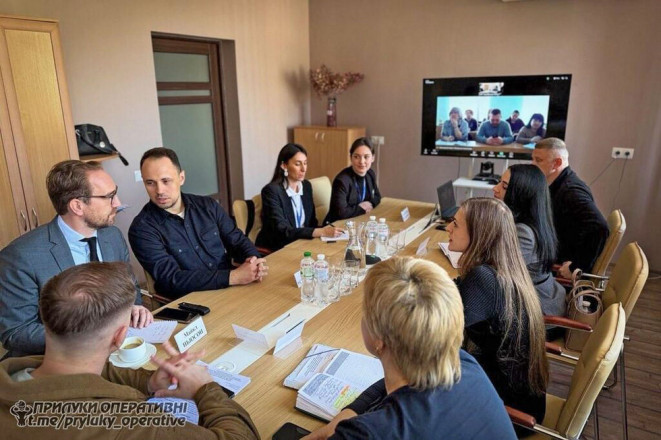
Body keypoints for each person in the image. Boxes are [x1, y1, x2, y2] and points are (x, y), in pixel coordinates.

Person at [0, 262, 259, 439]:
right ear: (120, 336)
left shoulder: (20, 372)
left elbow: (84, 378)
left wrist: (148, 382)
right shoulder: (127, 423)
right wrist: (206, 389)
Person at [302, 257, 516, 440]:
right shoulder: (462, 362)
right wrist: (350, 412)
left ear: (380, 338)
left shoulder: (366, 433)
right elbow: (388, 385)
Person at [0, 160, 151, 359]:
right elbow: (17, 332)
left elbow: (131, 289)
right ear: (77, 206)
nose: (117, 203)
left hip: (118, 350)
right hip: (55, 361)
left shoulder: (112, 236)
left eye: (115, 193)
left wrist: (134, 309)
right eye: (109, 197)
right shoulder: (20, 256)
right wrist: (90, 337)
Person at [446, 198, 548, 433]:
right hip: (522, 400)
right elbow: (457, 290)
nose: (449, 228)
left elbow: (445, 339)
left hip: (506, 415)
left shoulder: (483, 278)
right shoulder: (505, 268)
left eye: (456, 224)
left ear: (480, 234)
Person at [129, 148, 267, 299]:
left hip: (230, 289)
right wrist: (233, 277)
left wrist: (254, 261)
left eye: (166, 181)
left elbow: (237, 240)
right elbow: (172, 279)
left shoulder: (208, 206)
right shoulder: (141, 229)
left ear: (181, 178)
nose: (159, 190)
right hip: (190, 301)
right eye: (150, 183)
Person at [493, 164, 566, 320]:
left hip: (538, 311)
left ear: (521, 195)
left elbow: (499, 274)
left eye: (504, 186)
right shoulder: (536, 221)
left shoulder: (524, 232)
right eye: (499, 182)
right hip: (544, 295)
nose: (495, 188)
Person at [532, 138, 609, 278]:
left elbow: (599, 227)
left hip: (558, 267)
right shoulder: (560, 184)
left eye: (539, 160)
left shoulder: (571, 191)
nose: (533, 165)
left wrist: (576, 267)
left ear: (557, 163)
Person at [256, 143, 343, 251]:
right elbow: (282, 230)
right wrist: (320, 232)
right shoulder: (271, 191)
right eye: (298, 164)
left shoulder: (306, 186)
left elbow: (311, 223)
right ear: (284, 166)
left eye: (305, 163)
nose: (303, 169)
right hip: (279, 247)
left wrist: (326, 231)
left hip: (303, 242)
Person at [324, 137, 382, 224]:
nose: (362, 161)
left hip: (359, 220)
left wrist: (370, 204)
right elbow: (342, 213)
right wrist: (361, 208)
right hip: (338, 225)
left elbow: (377, 196)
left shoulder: (370, 174)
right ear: (351, 158)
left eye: (366, 157)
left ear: (373, 158)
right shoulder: (342, 181)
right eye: (356, 157)